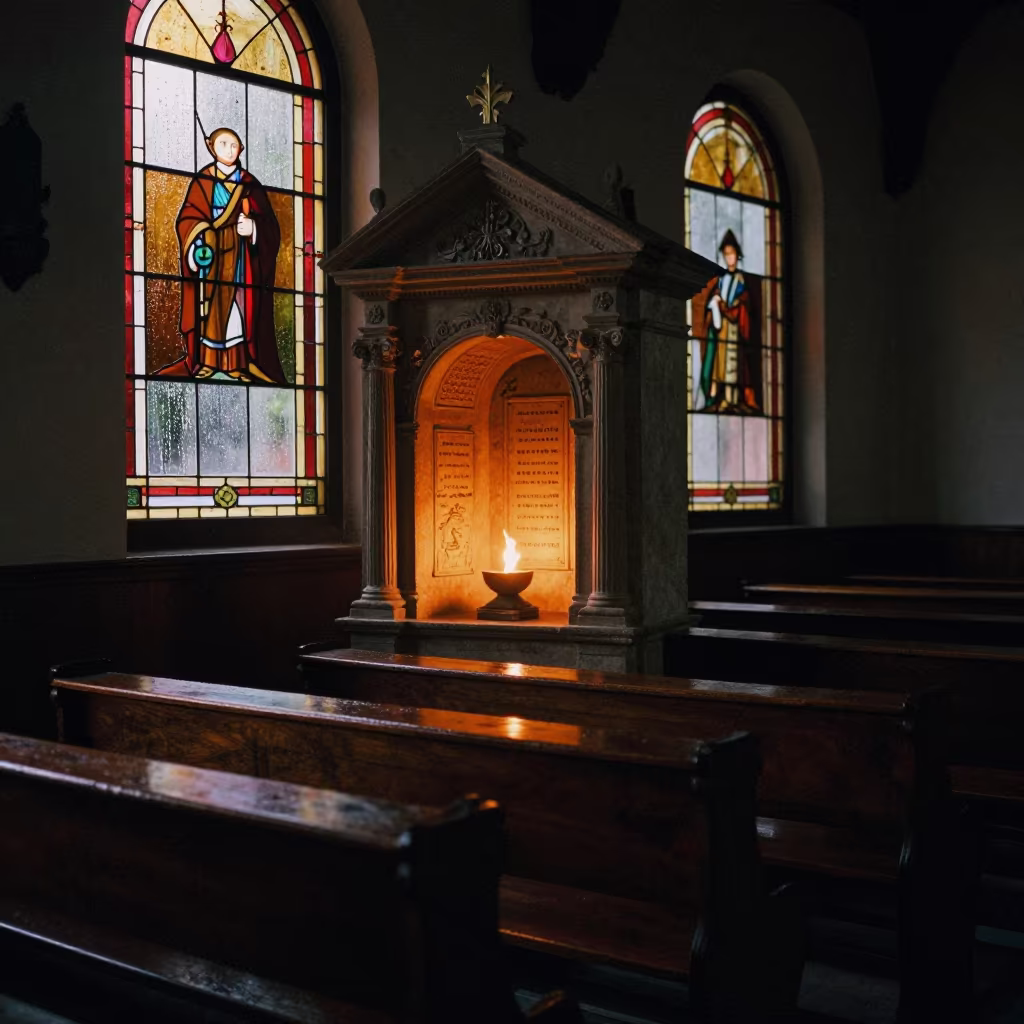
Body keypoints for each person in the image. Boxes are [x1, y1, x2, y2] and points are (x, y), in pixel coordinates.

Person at [159, 127, 283, 383]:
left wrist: (253, 229)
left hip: (240, 257)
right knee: (210, 308)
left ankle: (237, 363)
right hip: (212, 256)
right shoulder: (202, 181)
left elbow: (270, 225)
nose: (229, 149)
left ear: (240, 151)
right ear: (211, 146)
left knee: (238, 304)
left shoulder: (249, 184)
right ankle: (206, 361)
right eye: (223, 143)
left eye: (234, 145)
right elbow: (187, 218)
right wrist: (199, 238)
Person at [699, 229, 762, 414]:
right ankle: (722, 399)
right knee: (721, 365)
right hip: (723, 328)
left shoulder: (741, 279)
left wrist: (731, 308)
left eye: (732, 254)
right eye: (726, 255)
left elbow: (744, 303)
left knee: (734, 365)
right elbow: (715, 297)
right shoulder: (721, 279)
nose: (729, 258)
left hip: (735, 328)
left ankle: (734, 399)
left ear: (737, 256)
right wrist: (717, 303)